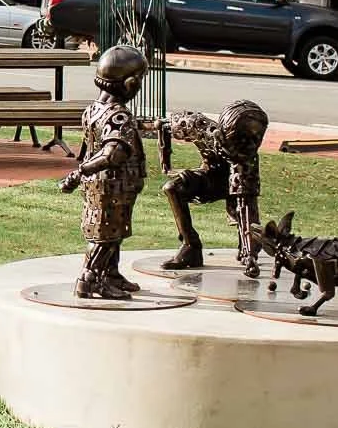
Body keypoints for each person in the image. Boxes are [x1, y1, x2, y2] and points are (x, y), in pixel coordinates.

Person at [59, 44, 149, 300]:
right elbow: (112, 153)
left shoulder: (93, 109)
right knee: (105, 236)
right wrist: (81, 171)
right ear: (130, 84)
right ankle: (90, 279)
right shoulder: (119, 116)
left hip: (100, 185)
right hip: (112, 185)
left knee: (112, 231)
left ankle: (110, 273)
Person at [147, 100, 268, 274]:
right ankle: (191, 246)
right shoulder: (198, 126)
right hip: (210, 177)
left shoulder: (246, 161)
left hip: (236, 184)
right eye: (232, 145)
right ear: (221, 134)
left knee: (248, 230)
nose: (238, 150)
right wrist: (168, 166)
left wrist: (250, 256)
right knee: (173, 188)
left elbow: (245, 208)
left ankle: (249, 249)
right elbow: (163, 124)